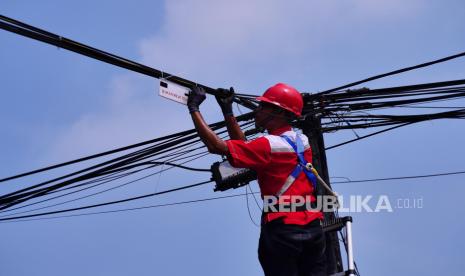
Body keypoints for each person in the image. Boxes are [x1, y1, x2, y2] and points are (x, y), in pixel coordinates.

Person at [187, 83, 326, 276]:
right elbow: (244, 148)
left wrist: (194, 108)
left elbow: (215, 146)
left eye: (263, 107)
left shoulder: (269, 145)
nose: (257, 111)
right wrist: (227, 111)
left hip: (283, 228)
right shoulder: (301, 141)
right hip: (313, 228)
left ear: (278, 112)